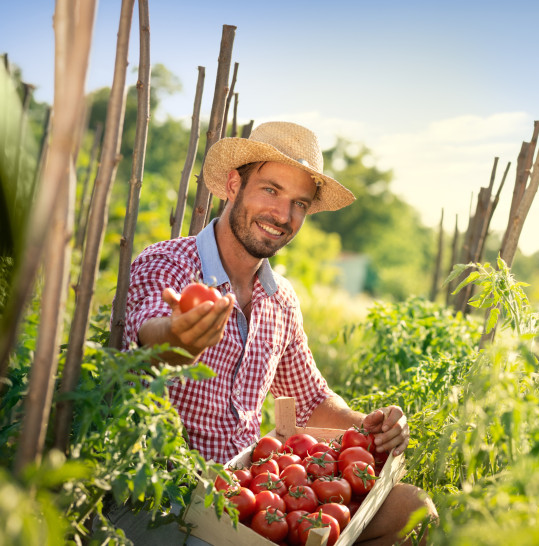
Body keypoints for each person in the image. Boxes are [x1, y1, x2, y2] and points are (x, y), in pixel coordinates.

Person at [118, 121, 436, 545]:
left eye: (299, 203)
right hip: (168, 495)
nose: (283, 216)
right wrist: (179, 338)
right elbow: (150, 340)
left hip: (252, 491)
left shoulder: (280, 299)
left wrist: (371, 427)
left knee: (413, 511)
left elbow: (311, 400)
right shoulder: (169, 263)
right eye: (270, 190)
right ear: (234, 185)